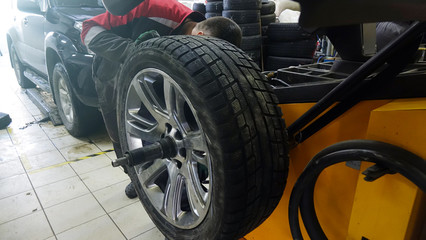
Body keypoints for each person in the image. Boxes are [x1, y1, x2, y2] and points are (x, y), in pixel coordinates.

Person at [81, 0, 242, 199]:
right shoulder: (154, 10)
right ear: (200, 36)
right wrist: (133, 52)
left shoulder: (200, 37)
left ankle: (161, 175)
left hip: (148, 78)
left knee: (155, 129)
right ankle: (136, 177)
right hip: (112, 75)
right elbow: (88, 29)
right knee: (122, 132)